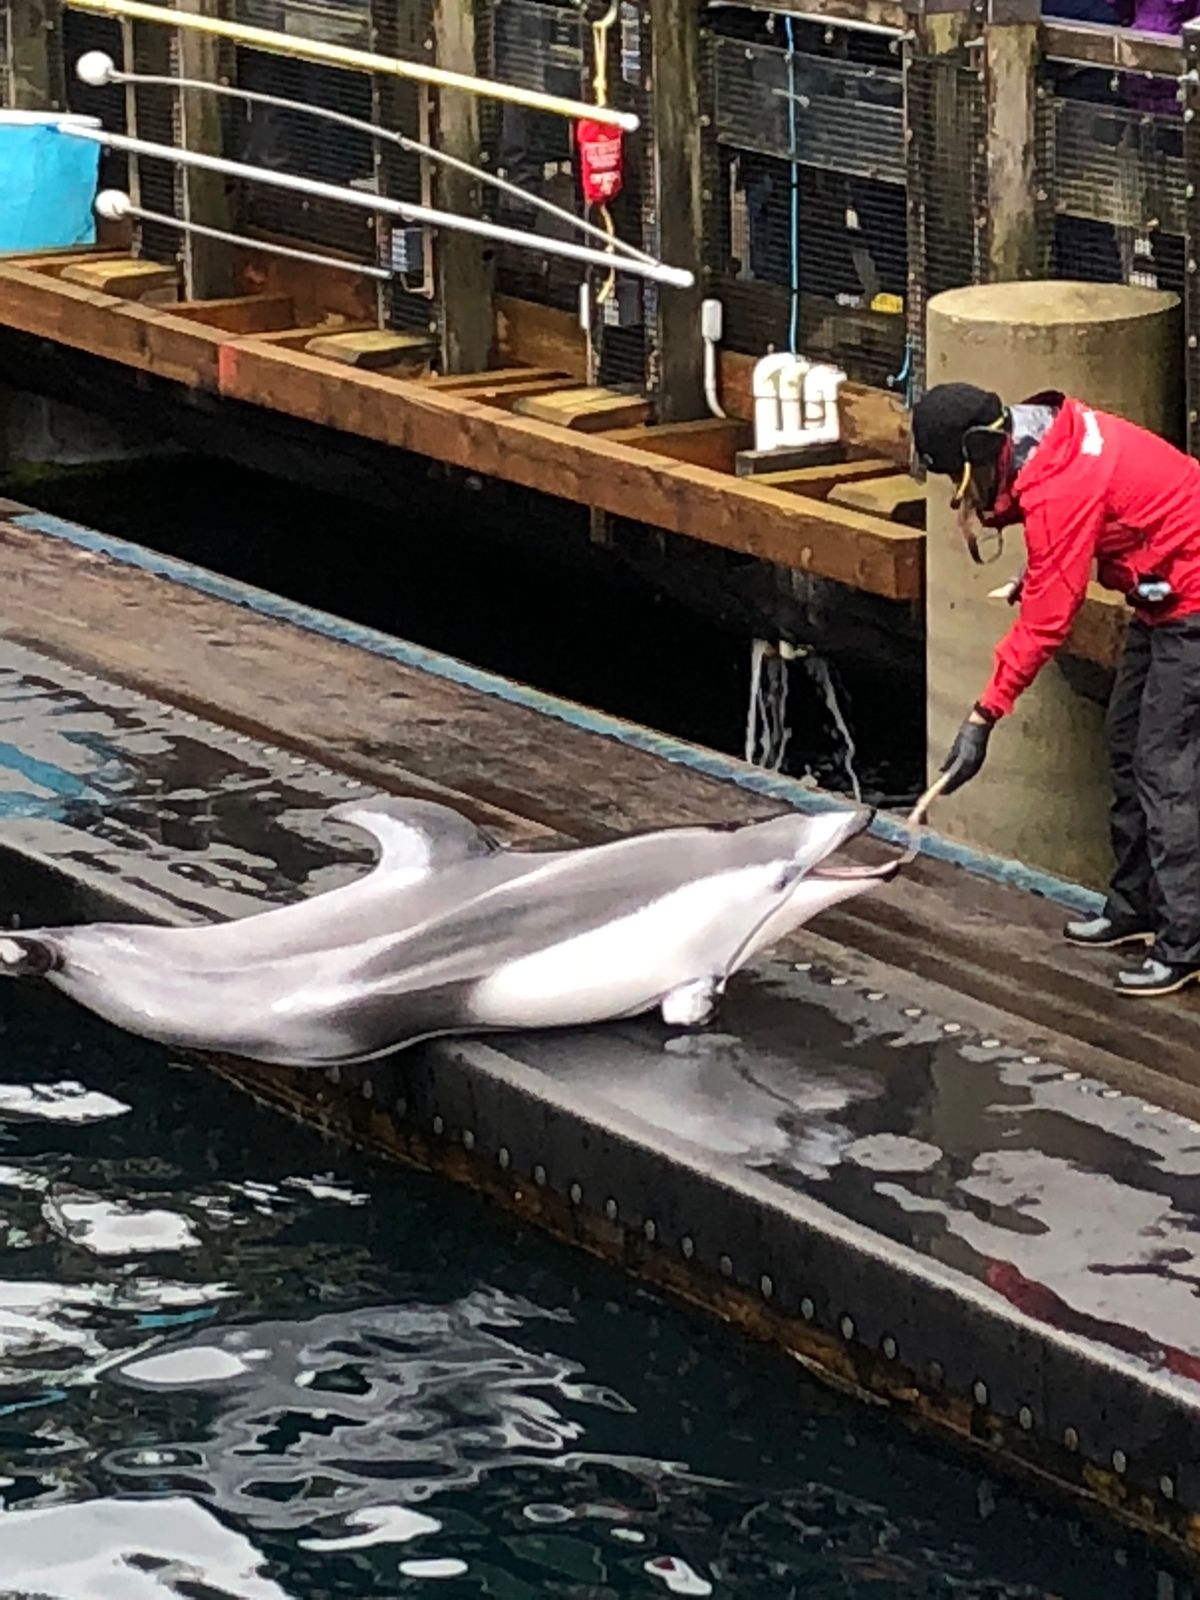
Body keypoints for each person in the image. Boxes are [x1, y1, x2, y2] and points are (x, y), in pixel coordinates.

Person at [912, 381, 1200, 998]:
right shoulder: (1048, 442)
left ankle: (1186, 943)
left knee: (1164, 767)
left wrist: (983, 716)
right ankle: (1136, 905)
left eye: (962, 483)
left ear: (983, 452)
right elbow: (1076, 525)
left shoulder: (1063, 485)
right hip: (1163, 591)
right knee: (1125, 740)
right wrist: (1042, 564)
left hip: (1191, 598)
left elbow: (1048, 622)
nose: (966, 498)